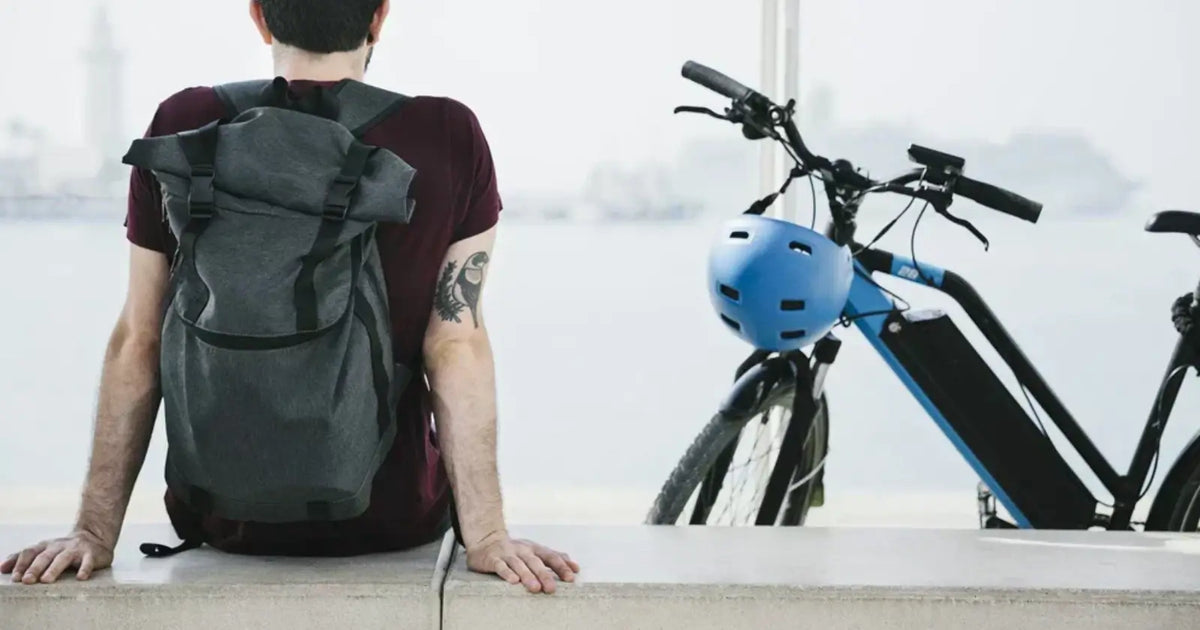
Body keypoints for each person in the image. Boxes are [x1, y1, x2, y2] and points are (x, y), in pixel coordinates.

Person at [1, 0, 578, 594]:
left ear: (260, 17)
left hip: (225, 522)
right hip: (391, 519)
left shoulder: (186, 123)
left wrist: (94, 532)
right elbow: (456, 345)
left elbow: (139, 339)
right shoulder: (447, 135)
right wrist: (486, 536)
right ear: (379, 17)